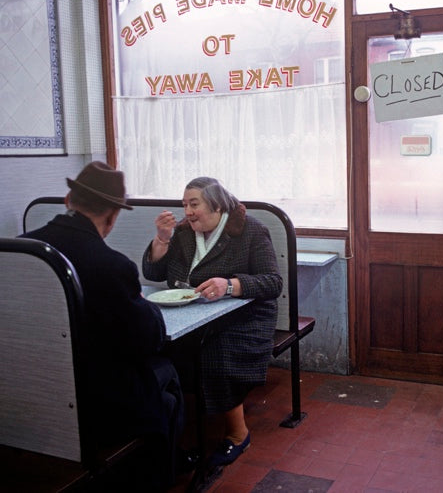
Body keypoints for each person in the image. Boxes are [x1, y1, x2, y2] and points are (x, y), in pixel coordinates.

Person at [21, 161, 185, 490]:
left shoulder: (23, 249)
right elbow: (147, 339)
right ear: (112, 215)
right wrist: (144, 306)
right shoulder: (110, 265)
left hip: (33, 385)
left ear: (68, 200)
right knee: (168, 373)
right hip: (97, 401)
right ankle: (164, 473)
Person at [142, 176, 282, 469]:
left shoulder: (250, 231)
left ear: (217, 205)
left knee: (215, 352)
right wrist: (162, 239)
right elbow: (153, 273)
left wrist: (229, 285)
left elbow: (272, 283)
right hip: (191, 313)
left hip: (245, 316)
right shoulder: (181, 233)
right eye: (184, 205)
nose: (188, 211)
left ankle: (237, 434)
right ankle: (172, 437)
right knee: (156, 346)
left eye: (195, 204)